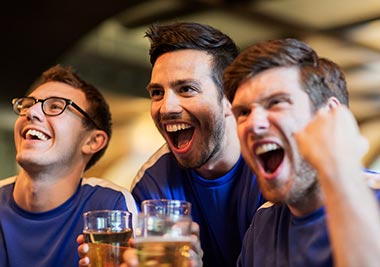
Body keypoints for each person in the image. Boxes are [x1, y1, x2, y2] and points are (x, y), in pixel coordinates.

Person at [223, 38, 380, 266]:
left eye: (276, 102)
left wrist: (339, 165)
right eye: (243, 112)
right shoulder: (263, 224)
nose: (253, 124)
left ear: (330, 115)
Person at [129, 22, 265, 267]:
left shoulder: (273, 166)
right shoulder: (153, 183)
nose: (166, 108)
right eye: (157, 93)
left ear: (229, 98)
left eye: (187, 89)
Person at [0, 65, 137, 267]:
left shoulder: (110, 206)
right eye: (27, 105)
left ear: (92, 142)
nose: (32, 112)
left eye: (55, 106)